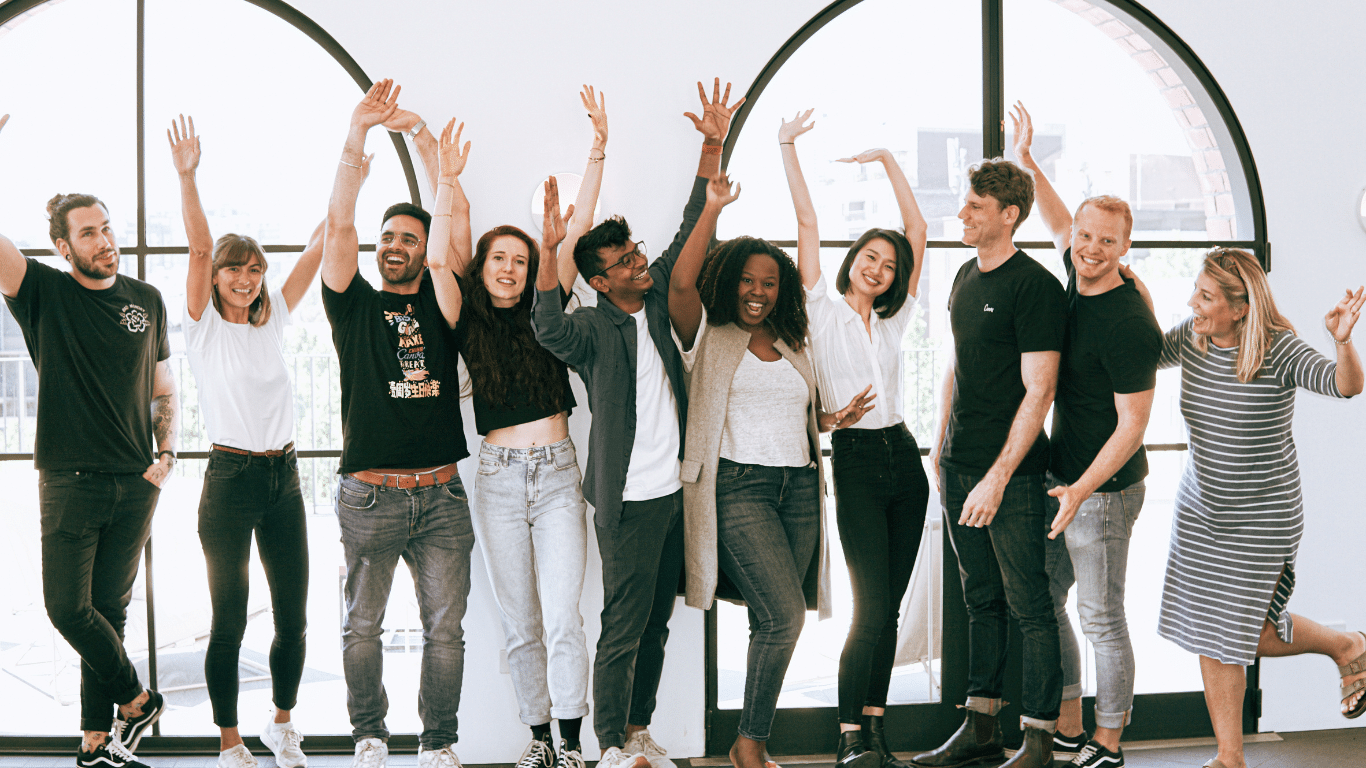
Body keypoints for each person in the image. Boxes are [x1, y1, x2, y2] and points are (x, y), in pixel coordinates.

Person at [533, 77, 740, 768]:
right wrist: (549, 251)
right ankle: (611, 746)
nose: (637, 263)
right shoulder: (590, 330)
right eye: (622, 262)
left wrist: (712, 144)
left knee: (656, 623)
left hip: (672, 493)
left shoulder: (653, 306)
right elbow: (545, 326)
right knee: (621, 628)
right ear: (599, 281)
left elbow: (689, 230)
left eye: (633, 253)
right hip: (624, 502)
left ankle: (641, 727)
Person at [426, 86, 608, 768]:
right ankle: (537, 740)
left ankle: (570, 740)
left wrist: (597, 150)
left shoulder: (548, 309)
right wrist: (445, 182)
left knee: (564, 620)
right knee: (521, 622)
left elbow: (578, 227)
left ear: (534, 269)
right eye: (499, 258)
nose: (509, 267)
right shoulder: (463, 313)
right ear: (484, 266)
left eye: (521, 260)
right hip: (498, 479)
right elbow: (439, 259)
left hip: (559, 473)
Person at [667, 165, 872, 768]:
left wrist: (830, 421)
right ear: (730, 283)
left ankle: (749, 740)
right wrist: (712, 209)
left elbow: (791, 412)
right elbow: (680, 285)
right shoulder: (707, 334)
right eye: (748, 281)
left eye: (770, 283)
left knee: (775, 617)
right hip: (737, 488)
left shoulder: (791, 342)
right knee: (784, 615)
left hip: (801, 487)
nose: (759, 291)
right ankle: (750, 743)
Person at [1139, 247, 1366, 768]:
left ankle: (1345, 644)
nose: (1193, 302)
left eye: (1205, 296)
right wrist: (1132, 295)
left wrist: (1342, 341)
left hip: (1262, 518)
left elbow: (1345, 386)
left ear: (1239, 307)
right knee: (1212, 631)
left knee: (1241, 633)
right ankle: (1231, 756)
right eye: (1196, 291)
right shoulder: (1191, 338)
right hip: (1200, 512)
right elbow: (1144, 353)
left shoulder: (1278, 349)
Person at [1, 115, 178, 768]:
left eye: (106, 227)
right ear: (61, 245)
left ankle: (95, 742)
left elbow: (164, 389)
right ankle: (135, 698)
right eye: (88, 232)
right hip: (70, 480)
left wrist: (167, 454)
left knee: (107, 612)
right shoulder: (42, 293)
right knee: (65, 608)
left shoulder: (147, 299)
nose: (104, 240)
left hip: (136, 483)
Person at [168, 114, 340, 768]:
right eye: (234, 271)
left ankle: (282, 724)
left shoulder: (272, 323)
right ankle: (229, 741)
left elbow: (321, 245)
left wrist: (350, 169)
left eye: (254, 271)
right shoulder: (204, 329)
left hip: (285, 481)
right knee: (230, 622)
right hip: (230, 483)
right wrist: (188, 178)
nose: (245, 280)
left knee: (294, 617)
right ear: (218, 279)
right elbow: (198, 248)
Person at [320, 80, 473, 768]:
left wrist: (426, 143)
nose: (392, 245)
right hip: (370, 496)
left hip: (441, 496)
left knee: (446, 631)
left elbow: (451, 240)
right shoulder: (352, 305)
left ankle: (438, 743)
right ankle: (370, 736)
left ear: (424, 247)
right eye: (386, 237)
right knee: (363, 626)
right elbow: (341, 224)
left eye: (407, 238)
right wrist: (357, 135)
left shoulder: (445, 302)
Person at [1011, 103, 1162, 768]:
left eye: (1107, 240)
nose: (1091, 247)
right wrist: (1027, 160)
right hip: (1061, 478)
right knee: (1047, 599)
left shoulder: (1130, 320)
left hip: (1104, 490)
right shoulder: (1076, 272)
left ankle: (1108, 742)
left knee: (1103, 617)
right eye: (1085, 235)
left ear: (1125, 247)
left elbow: (1133, 429)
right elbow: (1052, 217)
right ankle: (1069, 721)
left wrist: (1079, 492)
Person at [778, 110, 930, 768]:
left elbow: (919, 230)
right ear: (853, 262)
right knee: (869, 607)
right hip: (859, 462)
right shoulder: (820, 309)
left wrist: (890, 161)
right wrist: (786, 145)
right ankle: (846, 736)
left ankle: (875, 733)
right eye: (871, 257)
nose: (880, 268)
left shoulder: (892, 327)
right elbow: (808, 225)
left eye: (890, 265)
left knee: (890, 609)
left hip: (904, 455)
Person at [912, 159, 1066, 768]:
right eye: (965, 204)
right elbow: (957, 362)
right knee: (980, 596)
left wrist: (998, 477)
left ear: (1010, 215)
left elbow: (1041, 389)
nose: (962, 215)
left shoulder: (1035, 288)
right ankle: (980, 728)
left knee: (1029, 601)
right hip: (958, 463)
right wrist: (940, 438)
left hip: (1016, 476)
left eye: (975, 207)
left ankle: (1037, 740)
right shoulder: (963, 277)